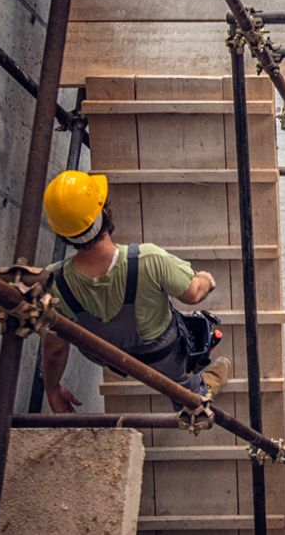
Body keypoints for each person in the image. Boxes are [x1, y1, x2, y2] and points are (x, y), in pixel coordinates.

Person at [39, 170, 229, 413]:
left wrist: (52, 389)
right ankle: (197, 394)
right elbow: (192, 294)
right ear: (104, 213)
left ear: (62, 232)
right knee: (180, 378)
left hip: (111, 359)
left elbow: (55, 348)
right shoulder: (149, 260)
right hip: (162, 356)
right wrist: (206, 280)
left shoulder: (54, 282)